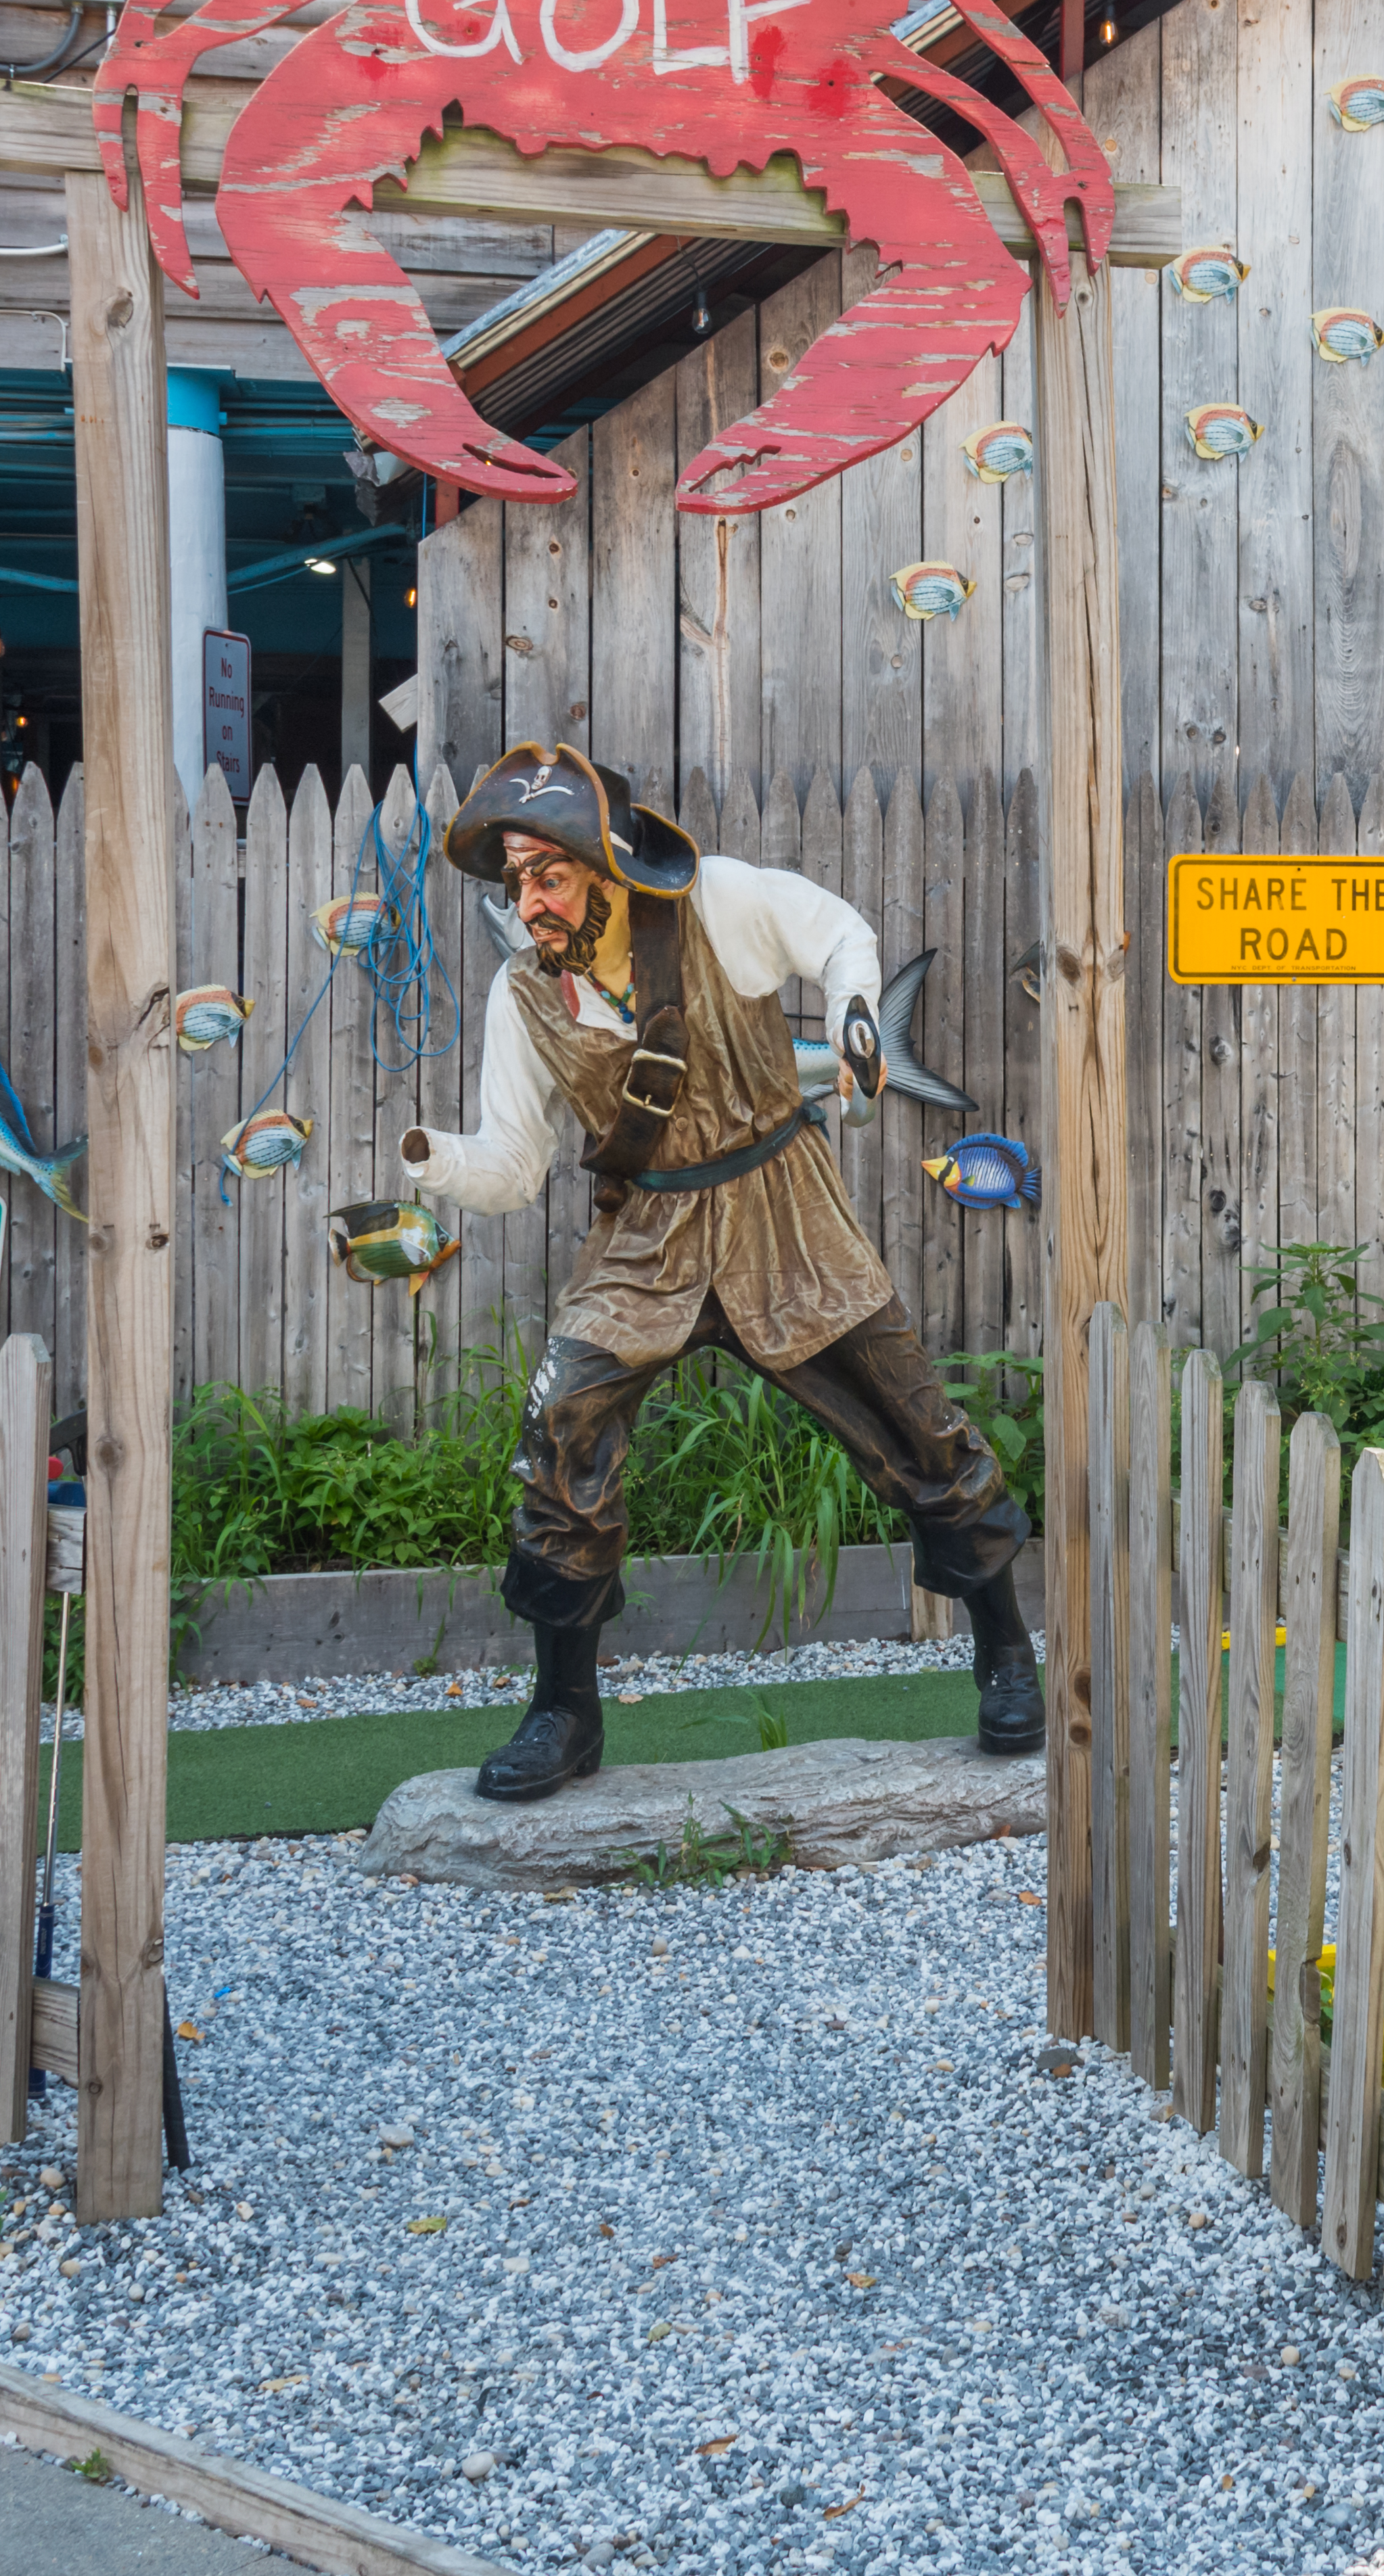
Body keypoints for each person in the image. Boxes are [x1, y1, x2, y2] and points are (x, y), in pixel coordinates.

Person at [398, 742, 1040, 1800]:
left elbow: (839, 933)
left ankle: (1007, 1652)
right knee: (560, 1428)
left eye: (547, 877)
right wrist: (440, 1164)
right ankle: (564, 1713)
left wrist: (854, 1013)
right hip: (645, 1239)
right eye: (515, 883)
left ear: (605, 867)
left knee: (914, 1418)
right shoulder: (522, 996)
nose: (530, 904)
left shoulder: (719, 904)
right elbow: (517, 1168)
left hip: (785, 1214)